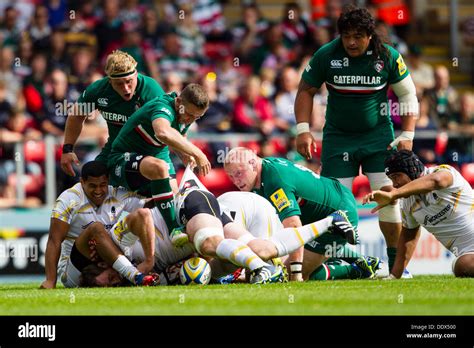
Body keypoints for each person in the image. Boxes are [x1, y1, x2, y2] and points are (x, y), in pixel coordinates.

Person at [293, 5, 418, 275]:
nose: (351, 41)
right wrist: (302, 129)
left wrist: (407, 134)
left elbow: (408, 95)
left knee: (387, 199)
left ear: (370, 35)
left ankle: (398, 268)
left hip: (379, 139)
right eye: (346, 35)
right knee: (335, 206)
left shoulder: (388, 56)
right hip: (338, 140)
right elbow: (306, 89)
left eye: (358, 36)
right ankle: (335, 263)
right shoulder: (327, 54)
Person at [223, 147, 380, 281]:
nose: (235, 181)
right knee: (280, 256)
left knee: (285, 273)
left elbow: (293, 226)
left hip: (337, 213)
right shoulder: (264, 170)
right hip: (329, 203)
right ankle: (359, 260)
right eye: (231, 176)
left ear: (252, 164)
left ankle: (357, 271)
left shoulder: (274, 180)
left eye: (238, 173)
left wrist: (297, 273)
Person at [108, 83, 211, 235]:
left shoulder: (186, 114)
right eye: (189, 115)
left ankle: (169, 244)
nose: (191, 120)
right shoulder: (163, 106)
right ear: (178, 102)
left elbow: (177, 136)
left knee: (175, 202)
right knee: (160, 168)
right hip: (122, 158)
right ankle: (173, 231)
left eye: (197, 117)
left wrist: (184, 155)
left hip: (154, 155)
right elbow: (162, 132)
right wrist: (198, 153)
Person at [217, 191, 380, 282]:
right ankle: (357, 263)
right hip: (261, 219)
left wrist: (296, 272)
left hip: (264, 225)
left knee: (282, 272)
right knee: (294, 263)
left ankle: (351, 269)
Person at [363, 150, 474, 278]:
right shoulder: (407, 203)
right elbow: (408, 236)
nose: (395, 183)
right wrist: (394, 275)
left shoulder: (442, 171)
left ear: (412, 169)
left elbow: (437, 181)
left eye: (397, 176)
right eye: (391, 179)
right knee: (462, 266)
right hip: (470, 254)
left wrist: (393, 194)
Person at [39, 161, 147, 289]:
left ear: (108, 181)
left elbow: (150, 206)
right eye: (92, 186)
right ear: (82, 182)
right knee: (96, 228)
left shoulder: (117, 193)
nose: (98, 191)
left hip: (107, 260)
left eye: (103, 185)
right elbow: (54, 240)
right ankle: (134, 275)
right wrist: (50, 281)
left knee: (140, 218)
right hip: (74, 269)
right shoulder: (68, 199)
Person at [60, 50, 165, 176]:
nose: (126, 88)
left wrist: (186, 152)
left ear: (136, 74)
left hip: (151, 152)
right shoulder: (99, 90)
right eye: (119, 83)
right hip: (116, 151)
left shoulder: (151, 90)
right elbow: (76, 116)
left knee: (168, 187)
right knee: (92, 178)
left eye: (129, 81)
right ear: (110, 81)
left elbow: (170, 126)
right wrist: (67, 149)